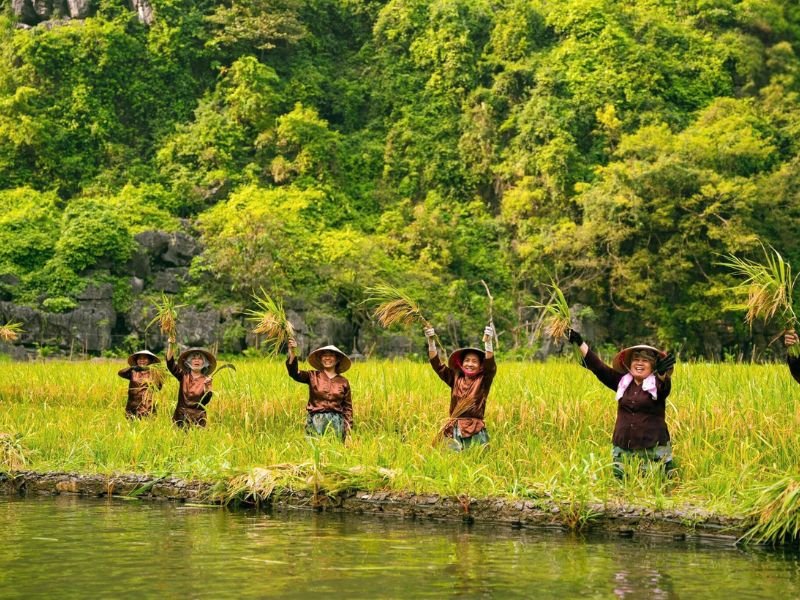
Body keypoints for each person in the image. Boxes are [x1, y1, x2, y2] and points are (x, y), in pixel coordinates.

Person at [569, 329, 676, 477]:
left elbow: (664, 388)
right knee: (622, 492)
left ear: (653, 366)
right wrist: (579, 342)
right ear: (629, 364)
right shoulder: (622, 383)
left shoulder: (657, 385)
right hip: (623, 449)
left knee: (655, 491)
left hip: (653, 449)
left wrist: (662, 374)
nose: (639, 363)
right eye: (636, 359)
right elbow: (598, 368)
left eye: (645, 360)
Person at [425, 324, 496, 451]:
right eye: (467, 360)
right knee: (451, 462)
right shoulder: (455, 378)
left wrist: (488, 344)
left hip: (475, 429)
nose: (470, 364)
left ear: (480, 366)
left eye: (474, 361)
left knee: (476, 460)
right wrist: (431, 343)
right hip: (454, 428)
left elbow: (491, 367)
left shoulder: (483, 380)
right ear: (461, 363)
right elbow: (438, 366)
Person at [286, 340, 353, 440]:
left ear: (337, 359)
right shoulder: (312, 376)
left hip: (336, 424)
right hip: (315, 421)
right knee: (314, 451)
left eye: (331, 355)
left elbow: (347, 408)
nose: (327, 358)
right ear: (321, 359)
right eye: (324, 355)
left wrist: (348, 430)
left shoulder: (343, 382)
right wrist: (292, 352)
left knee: (334, 452)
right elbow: (294, 373)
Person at [165, 335, 215, 428]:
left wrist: (208, 388)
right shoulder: (183, 375)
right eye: (193, 358)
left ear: (204, 363)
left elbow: (205, 402)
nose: (196, 360)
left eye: (200, 358)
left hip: (198, 420)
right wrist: (171, 345)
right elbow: (170, 363)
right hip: (180, 417)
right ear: (188, 362)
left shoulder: (206, 380)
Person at [117, 350, 162, 418]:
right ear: (136, 361)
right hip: (132, 405)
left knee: (147, 425)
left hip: (147, 406)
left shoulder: (154, 373)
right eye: (139, 358)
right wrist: (132, 368)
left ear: (150, 361)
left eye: (144, 358)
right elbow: (121, 373)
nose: (142, 360)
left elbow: (158, 388)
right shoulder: (133, 372)